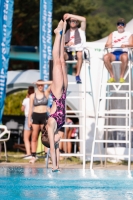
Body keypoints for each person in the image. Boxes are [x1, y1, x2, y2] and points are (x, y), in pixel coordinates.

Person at [42, 20, 68, 172]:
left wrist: (54, 167)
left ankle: (57, 34)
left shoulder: (51, 125)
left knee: (57, 62)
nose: (58, 142)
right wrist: (58, 166)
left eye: (56, 141)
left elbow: (52, 149)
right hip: (64, 93)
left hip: (58, 93)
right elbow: (57, 149)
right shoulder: (58, 126)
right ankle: (62, 32)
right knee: (63, 61)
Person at [28, 79, 52, 163]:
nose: (41, 86)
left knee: (45, 137)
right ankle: (33, 156)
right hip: (35, 116)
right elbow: (31, 108)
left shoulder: (46, 93)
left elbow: (53, 82)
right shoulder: (32, 96)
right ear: (37, 86)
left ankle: (47, 156)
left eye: (42, 85)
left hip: (44, 116)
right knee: (34, 137)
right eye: (39, 85)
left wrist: (44, 82)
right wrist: (29, 120)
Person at [103, 18, 133, 83]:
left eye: (122, 24)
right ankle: (112, 76)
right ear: (117, 25)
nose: (120, 26)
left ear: (124, 25)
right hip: (114, 53)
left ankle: (121, 77)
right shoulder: (113, 33)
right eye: (118, 24)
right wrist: (108, 45)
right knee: (105, 57)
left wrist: (126, 45)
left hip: (123, 52)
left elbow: (132, 44)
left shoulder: (128, 34)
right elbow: (107, 44)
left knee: (125, 57)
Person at [63, 13, 86, 84]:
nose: (73, 22)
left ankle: (77, 75)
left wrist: (70, 15)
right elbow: (63, 44)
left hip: (78, 52)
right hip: (70, 52)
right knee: (62, 55)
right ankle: (63, 75)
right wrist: (67, 44)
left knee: (79, 53)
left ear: (77, 22)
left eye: (75, 21)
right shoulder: (66, 33)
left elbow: (84, 19)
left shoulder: (81, 30)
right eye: (71, 21)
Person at [21, 86, 34, 159]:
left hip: (27, 118)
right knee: (33, 137)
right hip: (35, 118)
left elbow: (22, 109)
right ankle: (33, 153)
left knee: (26, 138)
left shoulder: (26, 100)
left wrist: (26, 97)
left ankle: (28, 153)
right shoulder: (35, 99)